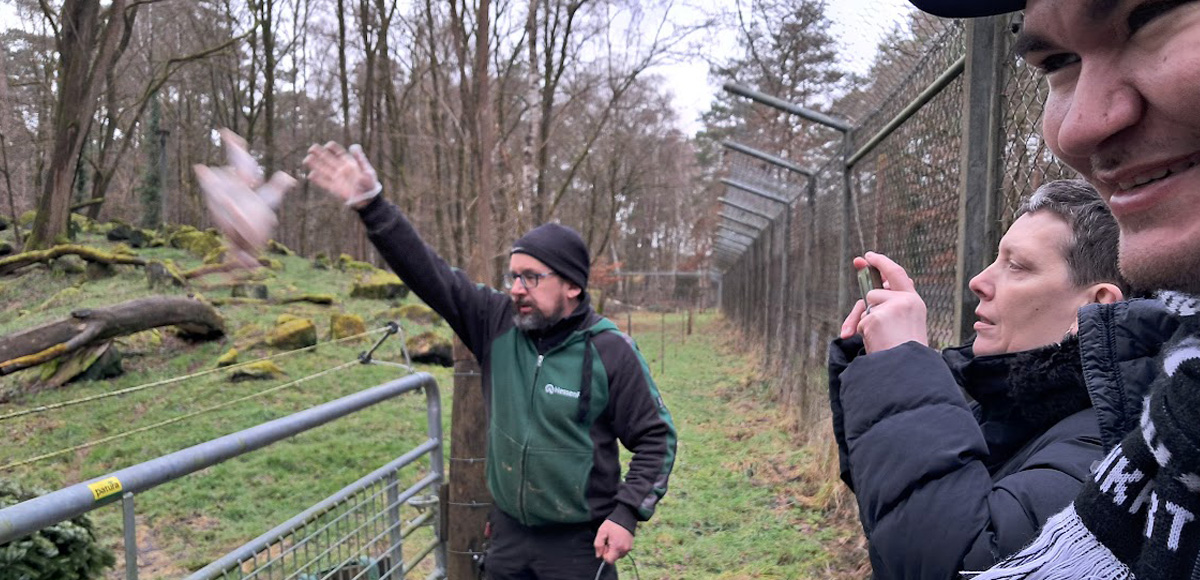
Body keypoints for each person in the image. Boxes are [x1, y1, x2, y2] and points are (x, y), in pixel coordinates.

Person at [903, 1, 1200, 578]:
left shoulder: (1110, 439)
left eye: (1153, 16)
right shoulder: (1166, 427)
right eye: (1058, 61)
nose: (1079, 127)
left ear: (1099, 304)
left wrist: (902, 370)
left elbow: (955, 555)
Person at [302, 142, 676, 580]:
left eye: (531, 277)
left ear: (572, 285)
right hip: (507, 538)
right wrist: (373, 207)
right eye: (513, 275)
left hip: (579, 543)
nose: (517, 288)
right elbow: (430, 274)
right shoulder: (496, 324)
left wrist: (626, 513)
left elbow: (656, 439)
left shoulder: (609, 351)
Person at [828, 180, 1153, 579]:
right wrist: (878, 375)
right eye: (996, 259)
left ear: (1097, 305)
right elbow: (900, 514)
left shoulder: (1106, 447)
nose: (978, 281)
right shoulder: (1013, 405)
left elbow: (961, 562)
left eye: (1017, 266)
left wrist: (902, 372)